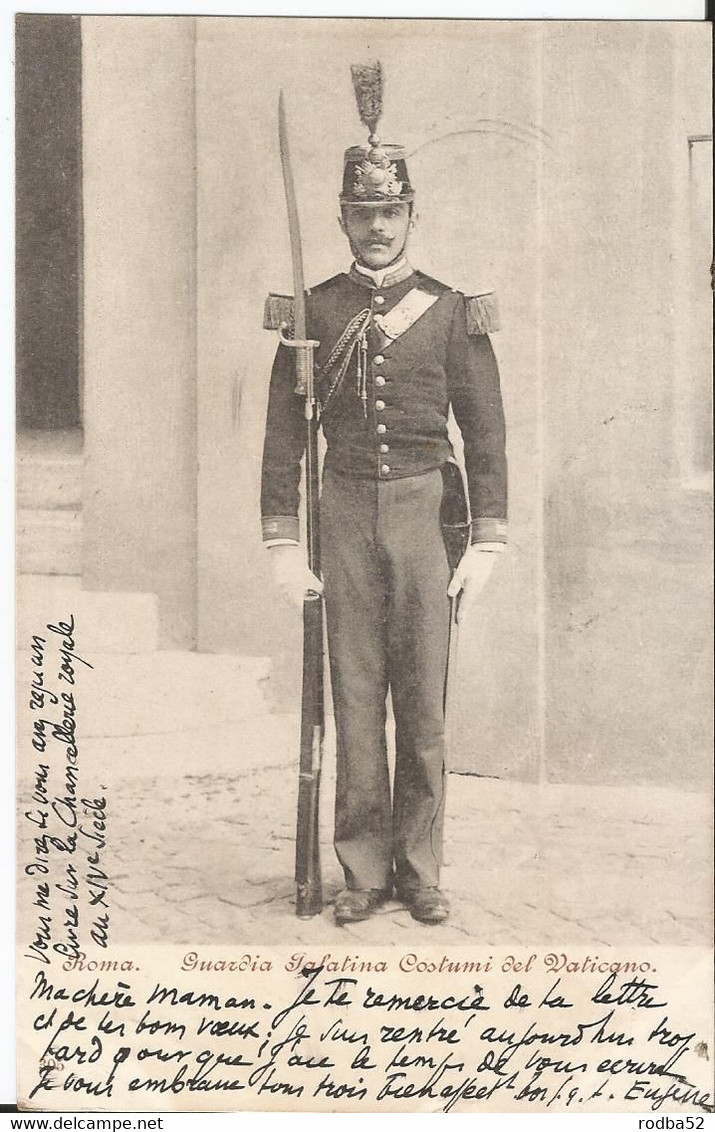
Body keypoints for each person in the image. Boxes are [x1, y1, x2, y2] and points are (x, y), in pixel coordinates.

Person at [261, 64, 507, 926]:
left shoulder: (448, 311)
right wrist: (284, 543)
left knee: (423, 707)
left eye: (390, 212)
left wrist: (488, 542)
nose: (376, 227)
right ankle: (362, 871)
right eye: (361, 214)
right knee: (355, 696)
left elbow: (486, 432)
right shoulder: (314, 309)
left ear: (412, 215)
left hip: (422, 518)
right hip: (340, 512)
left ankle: (420, 867)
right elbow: (283, 436)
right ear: (342, 220)